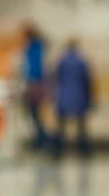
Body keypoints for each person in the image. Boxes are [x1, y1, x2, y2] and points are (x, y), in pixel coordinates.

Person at [53, 39, 93, 157]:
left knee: (61, 126)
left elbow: (57, 78)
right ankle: (84, 151)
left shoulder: (61, 61)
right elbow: (88, 81)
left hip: (64, 96)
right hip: (79, 96)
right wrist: (89, 97)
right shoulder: (82, 61)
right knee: (81, 126)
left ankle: (57, 151)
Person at [20, 23, 50, 151]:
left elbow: (34, 68)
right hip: (36, 84)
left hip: (34, 85)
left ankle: (42, 140)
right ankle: (41, 139)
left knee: (34, 114)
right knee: (34, 115)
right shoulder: (36, 47)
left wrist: (29, 81)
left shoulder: (34, 47)